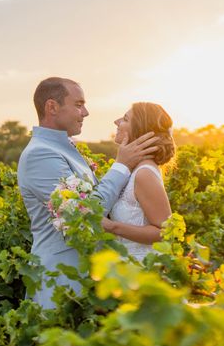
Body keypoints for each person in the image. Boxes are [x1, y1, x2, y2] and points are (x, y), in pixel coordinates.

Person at [17, 77, 159, 309]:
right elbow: (83, 215)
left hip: (86, 276)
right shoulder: (39, 155)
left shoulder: (63, 148)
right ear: (52, 107)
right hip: (62, 280)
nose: (86, 112)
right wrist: (121, 165)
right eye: (78, 105)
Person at [102, 102, 174, 261]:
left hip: (141, 269)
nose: (116, 121)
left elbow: (164, 231)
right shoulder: (132, 170)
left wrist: (112, 227)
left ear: (139, 130)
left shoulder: (144, 174)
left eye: (125, 119)